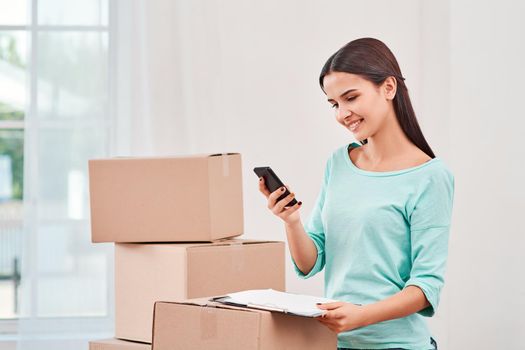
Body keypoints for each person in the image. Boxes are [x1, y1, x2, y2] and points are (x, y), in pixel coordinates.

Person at [258, 38, 454, 350]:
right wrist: (292, 220)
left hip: (398, 345)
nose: (342, 114)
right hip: (336, 343)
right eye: (334, 104)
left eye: (351, 97)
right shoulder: (339, 162)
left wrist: (360, 316)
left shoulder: (430, 177)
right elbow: (311, 262)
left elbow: (425, 287)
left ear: (388, 88)